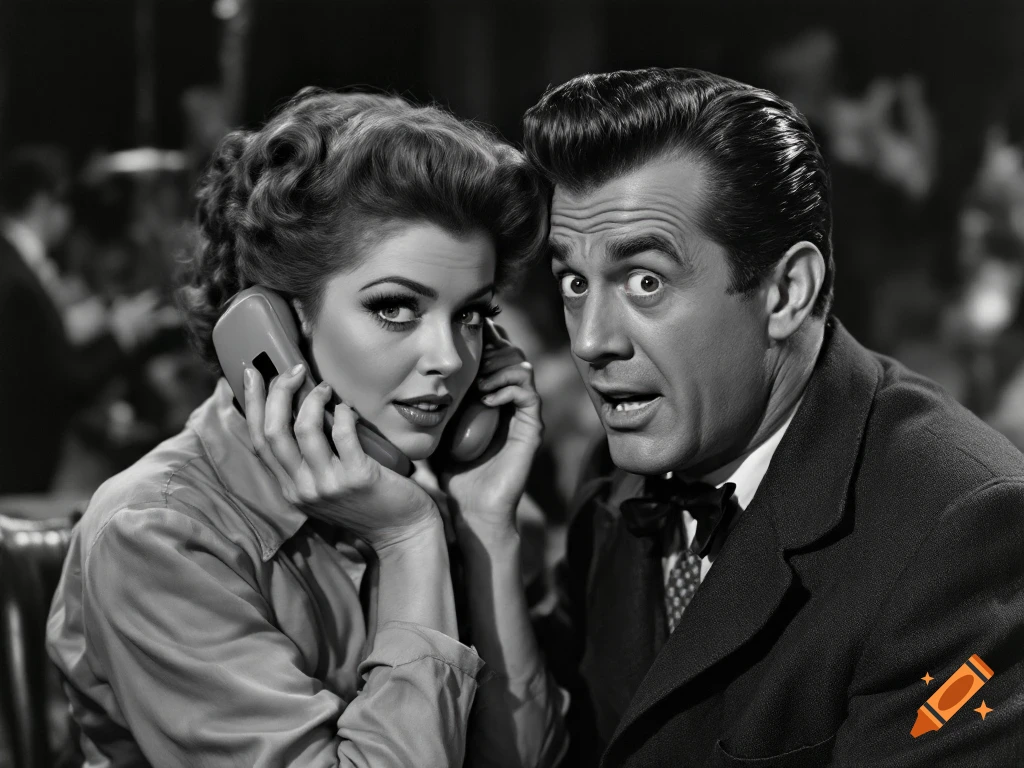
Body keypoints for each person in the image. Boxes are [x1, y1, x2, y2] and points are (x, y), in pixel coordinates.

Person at [512, 68, 1024, 766]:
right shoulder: (621, 481)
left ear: (786, 292)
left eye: (645, 281)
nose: (592, 340)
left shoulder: (960, 529)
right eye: (575, 282)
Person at [46, 89, 557, 766]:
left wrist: (486, 525)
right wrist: (408, 543)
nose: (450, 359)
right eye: (397, 308)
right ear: (273, 330)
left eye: (470, 315)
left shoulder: (413, 494)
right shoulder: (157, 536)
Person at [0, 146, 167, 493]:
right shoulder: (18, 277)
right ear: (44, 203)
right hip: (18, 463)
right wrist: (122, 334)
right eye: (64, 203)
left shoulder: (14, 263)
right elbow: (64, 379)